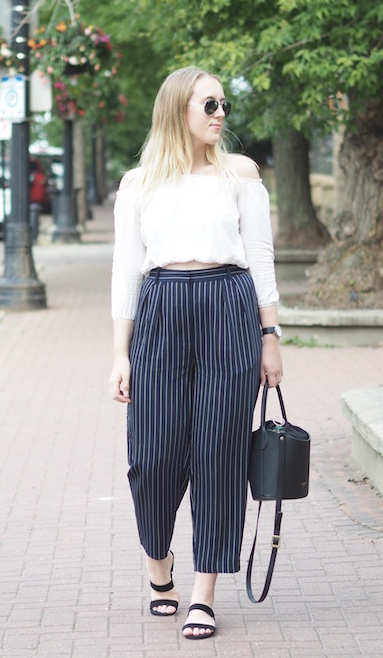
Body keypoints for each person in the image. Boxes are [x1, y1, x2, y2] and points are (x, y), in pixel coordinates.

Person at [108, 67, 283, 640]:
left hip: (229, 307)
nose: (220, 114)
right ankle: (160, 569)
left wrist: (270, 335)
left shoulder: (239, 174)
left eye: (224, 104)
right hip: (161, 307)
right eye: (209, 103)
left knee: (219, 452)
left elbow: (259, 254)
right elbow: (124, 272)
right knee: (152, 456)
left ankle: (204, 592)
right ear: (177, 109)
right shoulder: (139, 184)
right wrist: (120, 353)